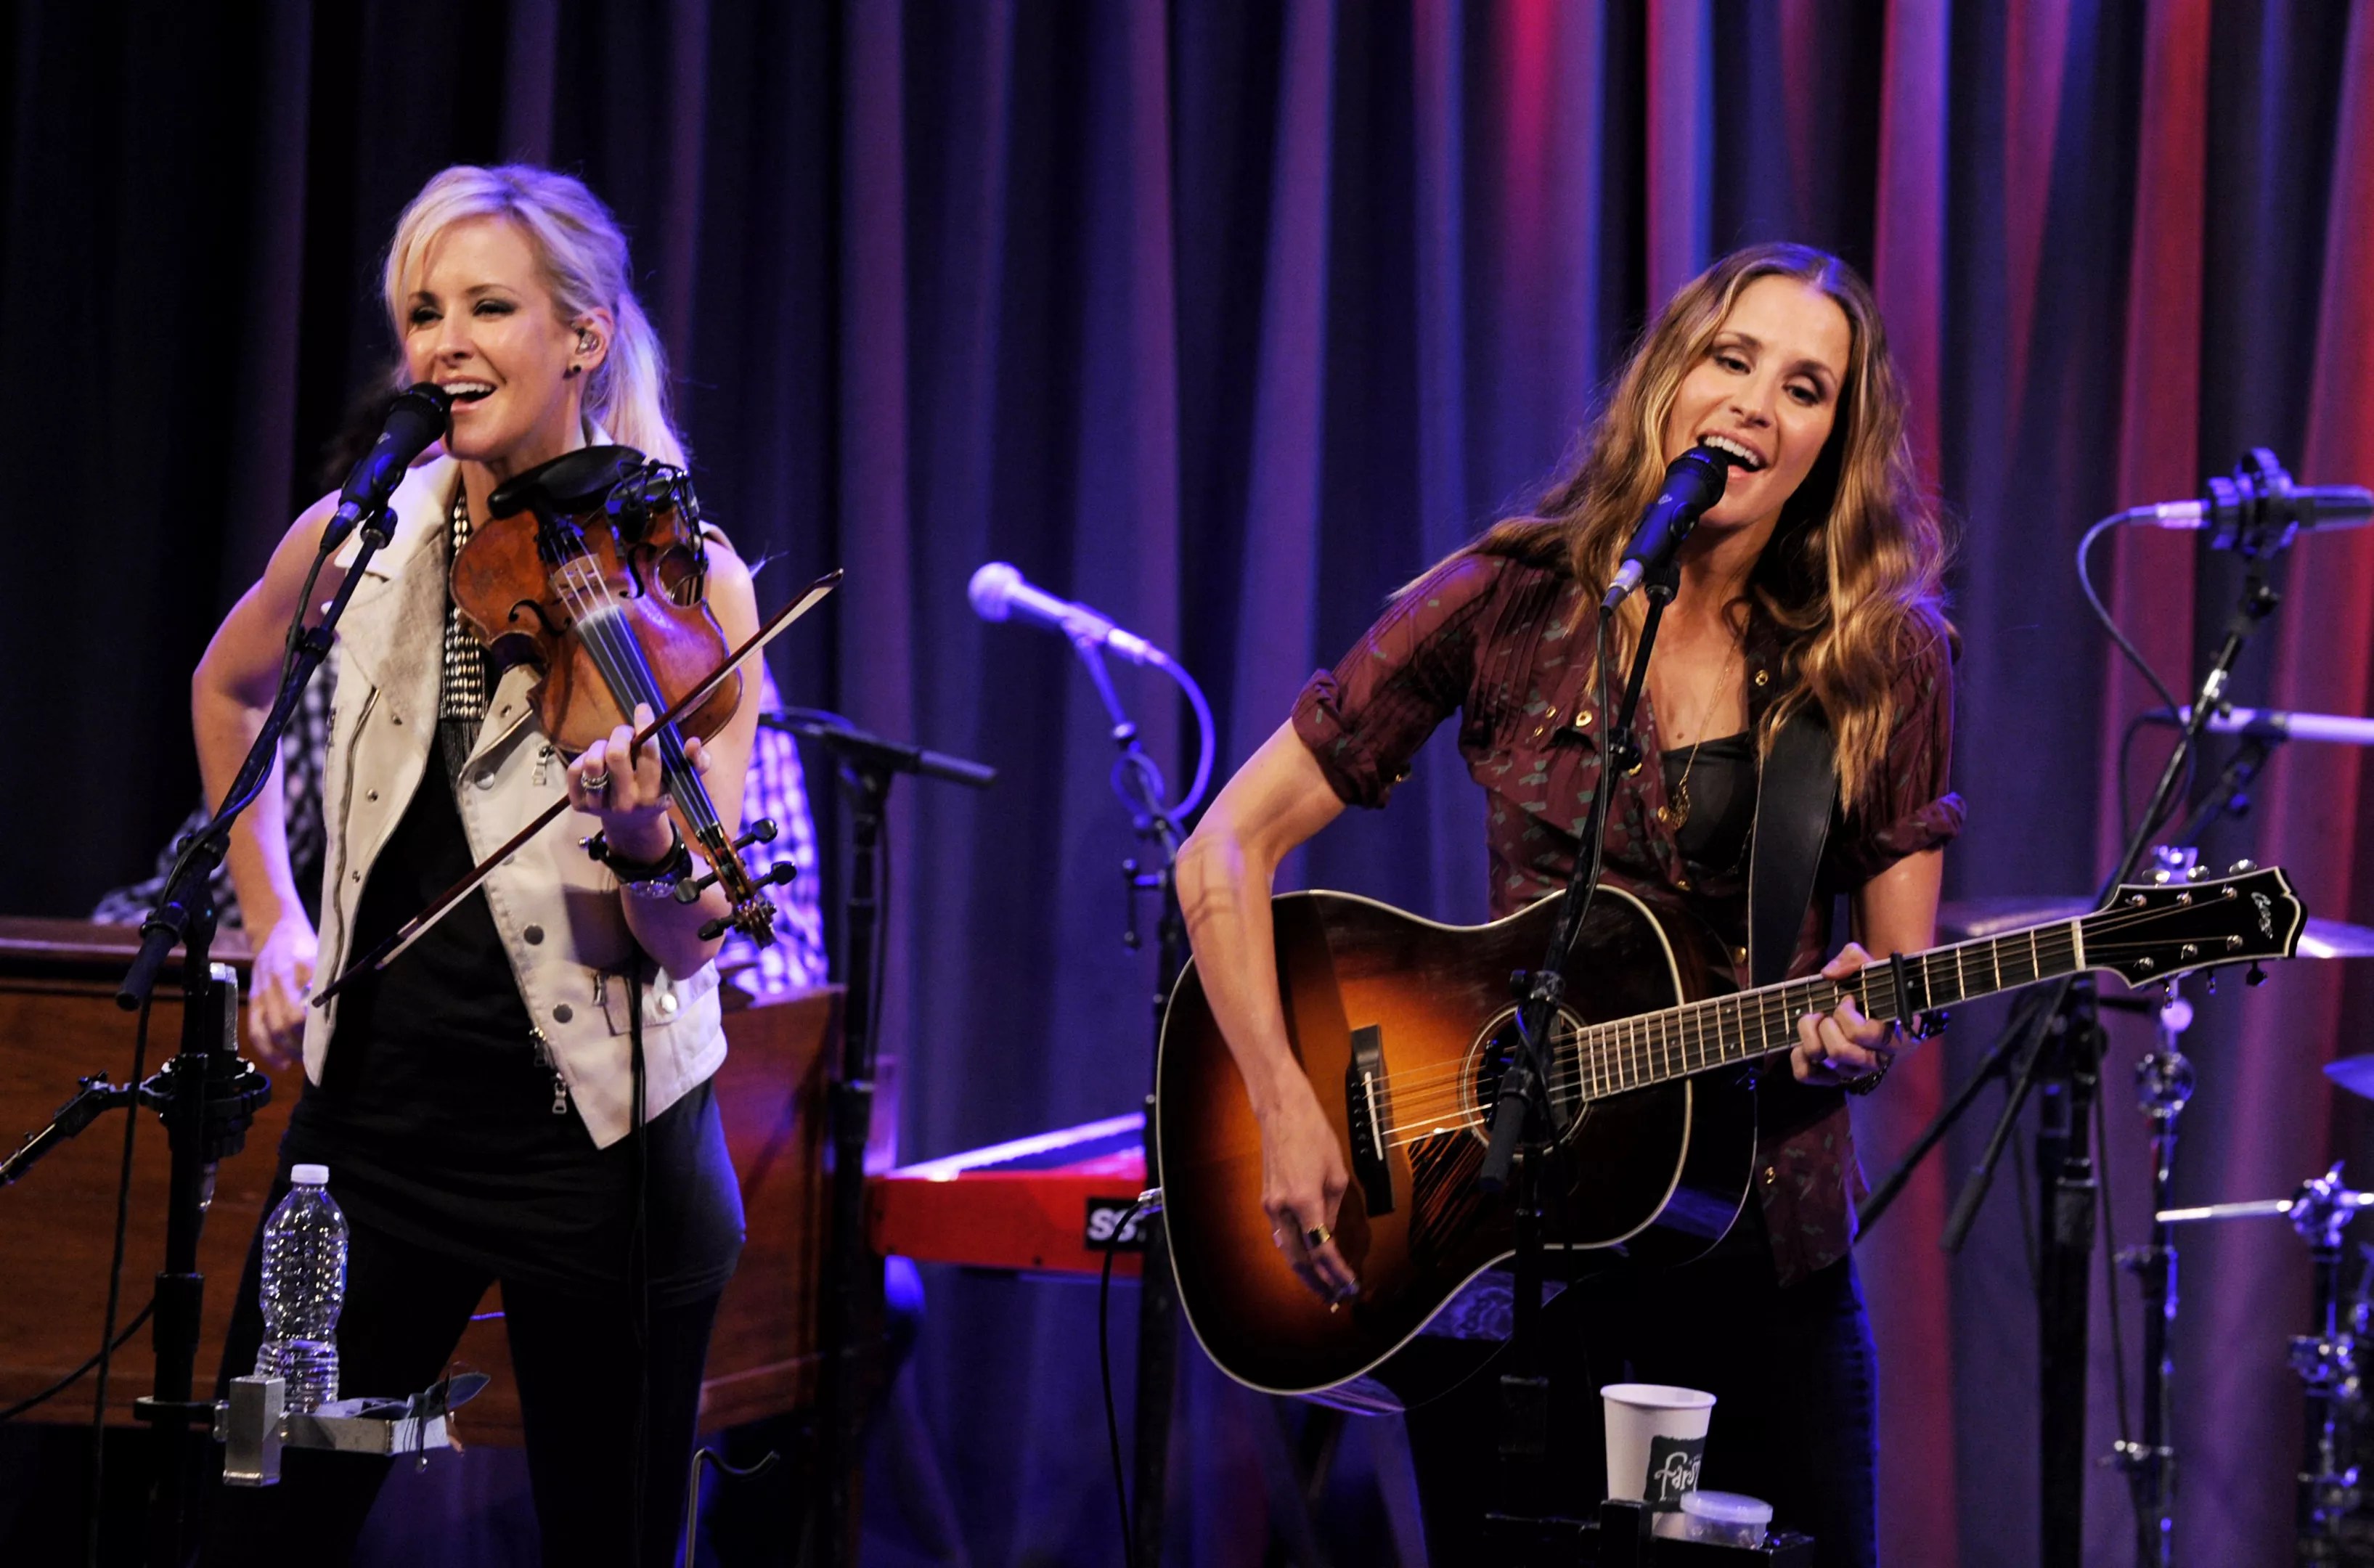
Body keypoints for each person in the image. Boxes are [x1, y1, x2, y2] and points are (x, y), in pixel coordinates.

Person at [1174, 242, 1960, 1567]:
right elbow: (1224, 852)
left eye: (1806, 386)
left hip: (1757, 1248)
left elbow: (1890, 978)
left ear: (1834, 440)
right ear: (1668, 375)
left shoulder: (1878, 658)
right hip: (1501, 1254)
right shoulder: (1515, 597)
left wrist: (1862, 1024)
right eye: (1732, 359)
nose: (1756, 405)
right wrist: (1283, 1103)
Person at [192, 164, 765, 1567]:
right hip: (366, 1144)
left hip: (606, 1154)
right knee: (253, 1520)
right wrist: (270, 921)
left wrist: (641, 844)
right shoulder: (354, 537)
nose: (443, 342)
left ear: (582, 333)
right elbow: (228, 690)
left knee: (609, 1543)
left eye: (488, 306)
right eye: (422, 312)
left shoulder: (690, 580)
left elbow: (696, 933)